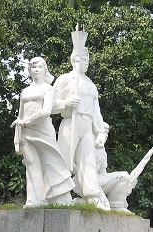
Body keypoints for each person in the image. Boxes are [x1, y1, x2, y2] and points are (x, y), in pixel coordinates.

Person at [52, 28, 109, 209]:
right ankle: (58, 195)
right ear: (74, 60)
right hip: (70, 123)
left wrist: (100, 132)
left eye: (88, 59)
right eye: (83, 59)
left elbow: (96, 111)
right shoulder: (64, 80)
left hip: (86, 125)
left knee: (88, 161)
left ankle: (91, 196)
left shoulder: (91, 85)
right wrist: (66, 103)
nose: (86, 62)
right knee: (62, 159)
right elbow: (51, 106)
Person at [11, 56, 74, 207]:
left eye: (39, 67)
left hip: (43, 130)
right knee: (31, 164)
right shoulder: (24, 92)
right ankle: (35, 200)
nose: (36, 69)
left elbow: (46, 112)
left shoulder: (48, 89)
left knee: (52, 162)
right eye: (33, 67)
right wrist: (17, 137)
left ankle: (60, 198)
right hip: (26, 132)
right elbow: (20, 115)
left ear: (45, 69)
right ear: (30, 70)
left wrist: (25, 122)